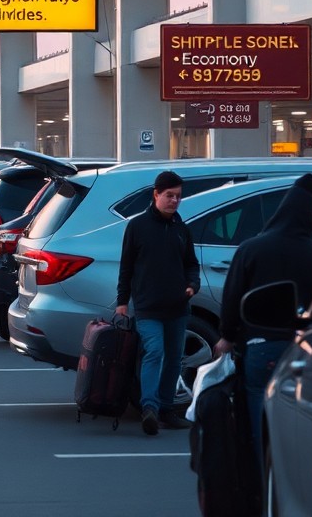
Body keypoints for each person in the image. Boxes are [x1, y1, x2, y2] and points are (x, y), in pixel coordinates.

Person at [214, 172, 312, 468]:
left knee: (258, 424)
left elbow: (232, 298)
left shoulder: (251, 249)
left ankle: (261, 482)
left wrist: (227, 335)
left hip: (259, 345)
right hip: (303, 351)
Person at [116, 169, 200, 436]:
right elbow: (126, 267)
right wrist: (122, 302)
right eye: (169, 196)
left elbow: (191, 265)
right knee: (154, 352)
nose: (174, 201)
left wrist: (192, 284)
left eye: (178, 197)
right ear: (156, 195)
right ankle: (149, 408)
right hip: (148, 307)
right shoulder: (137, 226)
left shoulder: (181, 229)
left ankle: (166, 410)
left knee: (175, 359)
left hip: (177, 307)